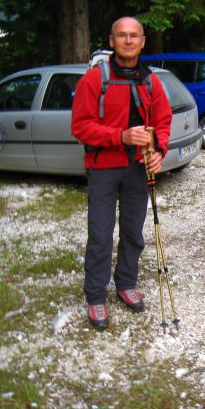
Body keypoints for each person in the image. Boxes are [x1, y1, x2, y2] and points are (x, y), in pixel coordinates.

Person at [71, 17, 172, 330]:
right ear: (111, 41)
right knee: (100, 235)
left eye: (134, 36)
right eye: (122, 35)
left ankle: (126, 283)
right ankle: (96, 296)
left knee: (132, 232)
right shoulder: (94, 80)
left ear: (142, 42)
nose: (128, 41)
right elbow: (80, 126)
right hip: (103, 168)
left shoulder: (151, 82)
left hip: (137, 169)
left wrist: (158, 151)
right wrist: (121, 136)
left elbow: (163, 121)